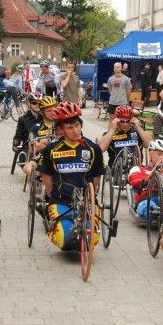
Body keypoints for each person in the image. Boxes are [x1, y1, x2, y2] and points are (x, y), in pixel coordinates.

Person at [37, 102, 104, 250]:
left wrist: (92, 196)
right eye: (69, 127)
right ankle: (53, 226)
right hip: (61, 201)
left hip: (86, 202)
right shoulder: (51, 149)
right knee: (64, 240)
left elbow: (97, 176)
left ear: (81, 125)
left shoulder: (93, 148)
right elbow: (46, 174)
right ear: (61, 129)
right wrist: (50, 193)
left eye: (77, 125)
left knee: (90, 241)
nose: (75, 131)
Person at [127, 139, 163, 218]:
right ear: (150, 153)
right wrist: (149, 179)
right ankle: (156, 217)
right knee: (147, 206)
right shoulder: (138, 169)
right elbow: (134, 182)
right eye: (159, 154)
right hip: (147, 199)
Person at [23, 96, 58, 177]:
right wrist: (51, 142)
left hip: (61, 155)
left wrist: (44, 143)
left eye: (54, 109)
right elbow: (33, 149)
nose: (52, 113)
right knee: (27, 168)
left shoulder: (61, 125)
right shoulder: (36, 127)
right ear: (42, 112)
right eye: (49, 111)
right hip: (43, 157)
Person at [13, 92, 43, 164]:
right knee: (25, 158)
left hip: (42, 146)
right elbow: (18, 136)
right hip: (28, 147)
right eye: (34, 103)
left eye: (40, 103)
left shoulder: (45, 117)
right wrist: (15, 144)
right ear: (29, 104)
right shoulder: (23, 119)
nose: (38, 105)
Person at [107, 61, 132, 128]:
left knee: (123, 120)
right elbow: (109, 89)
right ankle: (109, 132)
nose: (116, 68)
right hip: (112, 102)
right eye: (115, 67)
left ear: (121, 68)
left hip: (122, 103)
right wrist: (114, 95)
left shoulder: (126, 79)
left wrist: (125, 99)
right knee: (111, 119)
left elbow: (129, 91)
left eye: (117, 67)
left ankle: (121, 133)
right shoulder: (110, 79)